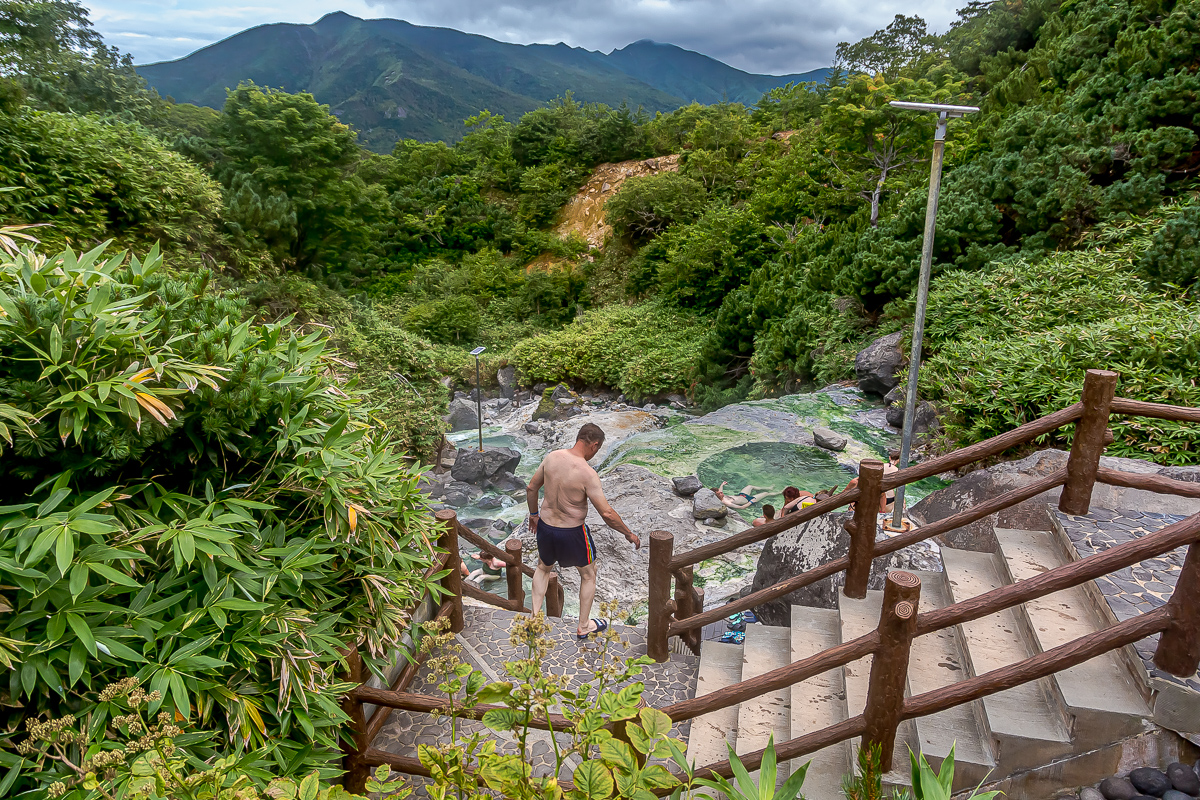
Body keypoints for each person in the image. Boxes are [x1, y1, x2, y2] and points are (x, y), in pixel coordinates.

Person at [526, 423, 641, 640]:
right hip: (572, 532)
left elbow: (532, 488)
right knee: (588, 575)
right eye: (596, 450)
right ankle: (583, 625)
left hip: (546, 528)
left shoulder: (552, 457)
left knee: (542, 568)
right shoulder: (588, 474)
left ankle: (533, 620)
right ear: (594, 445)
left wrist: (533, 515)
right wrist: (628, 533)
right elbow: (606, 514)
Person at [713, 482, 779, 509]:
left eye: (720, 492)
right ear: (717, 496)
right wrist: (751, 502)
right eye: (719, 494)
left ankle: (769, 488)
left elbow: (720, 490)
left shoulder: (720, 496)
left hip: (742, 495)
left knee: (750, 486)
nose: (722, 493)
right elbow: (742, 507)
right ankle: (780, 492)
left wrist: (722, 484)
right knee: (766, 493)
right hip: (748, 500)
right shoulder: (726, 502)